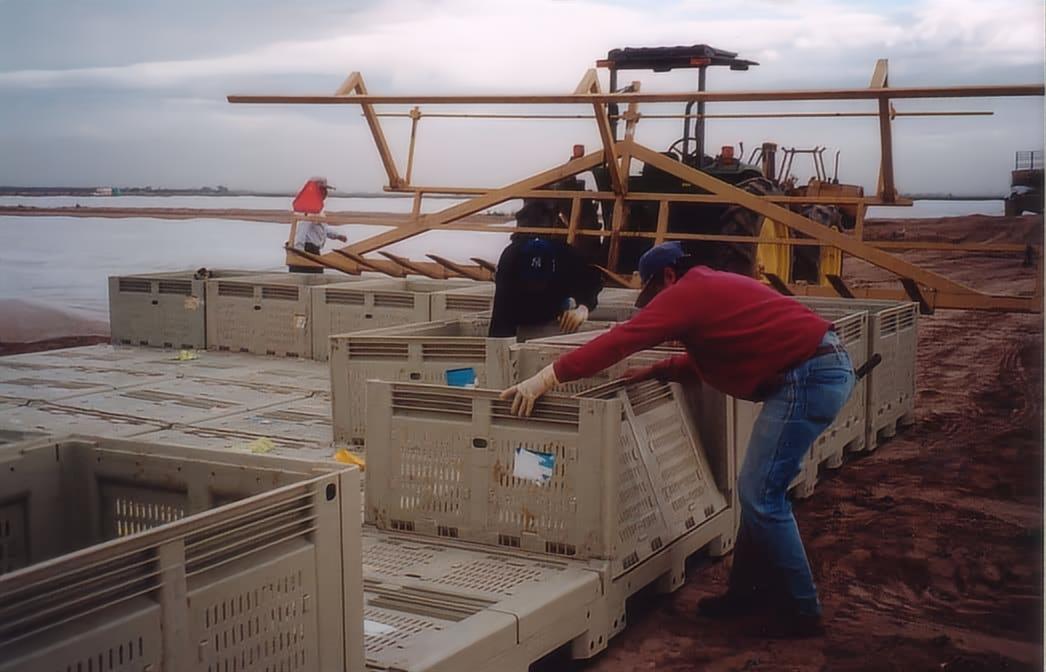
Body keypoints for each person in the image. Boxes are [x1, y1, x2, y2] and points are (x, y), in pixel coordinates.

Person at [499, 241, 856, 638]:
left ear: (668, 276)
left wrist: (548, 376)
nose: (650, 305)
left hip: (808, 376)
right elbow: (719, 349)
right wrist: (660, 371)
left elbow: (622, 340)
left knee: (761, 495)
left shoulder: (689, 291)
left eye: (650, 294)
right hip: (815, 368)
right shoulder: (708, 290)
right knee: (760, 491)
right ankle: (745, 593)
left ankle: (801, 610)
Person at [488, 236, 603, 338]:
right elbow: (500, 320)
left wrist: (584, 307)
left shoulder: (567, 258)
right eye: (531, 282)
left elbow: (593, 279)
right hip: (520, 303)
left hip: (554, 298)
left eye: (539, 282)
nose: (535, 286)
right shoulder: (510, 264)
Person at [287, 176, 348, 273]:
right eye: (323, 190)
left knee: (317, 275)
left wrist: (337, 235)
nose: (326, 194)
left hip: (312, 250)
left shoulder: (316, 208)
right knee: (312, 278)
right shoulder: (307, 207)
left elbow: (322, 228)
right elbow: (300, 232)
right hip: (306, 250)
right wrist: (299, 255)